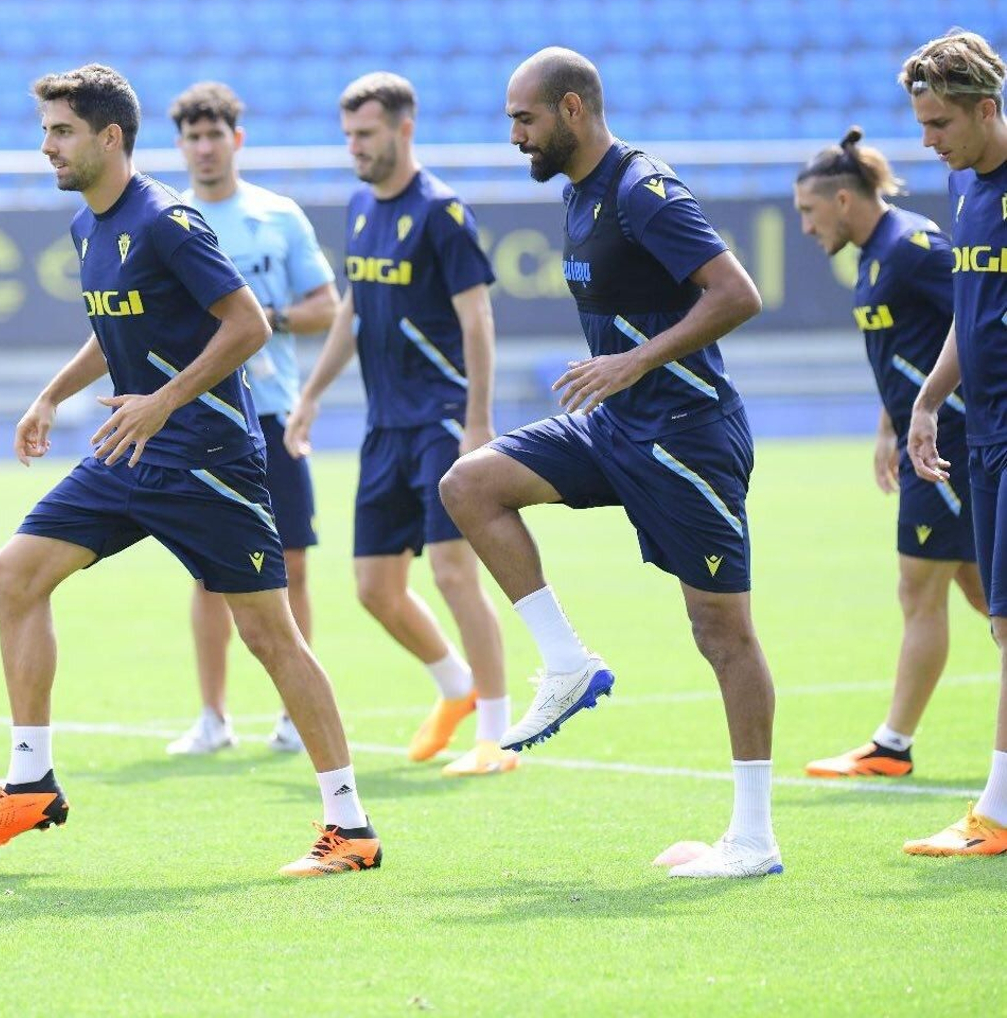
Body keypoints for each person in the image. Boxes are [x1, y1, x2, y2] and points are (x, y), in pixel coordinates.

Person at [0, 64, 380, 876]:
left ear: (110, 138)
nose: (47, 147)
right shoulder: (88, 226)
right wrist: (50, 396)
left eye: (61, 131)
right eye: (45, 131)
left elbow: (247, 326)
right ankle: (31, 778)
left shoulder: (168, 220)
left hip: (205, 460)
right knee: (12, 575)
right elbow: (111, 328)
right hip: (129, 454)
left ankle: (348, 826)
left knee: (269, 638)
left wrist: (165, 401)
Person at [439, 48, 781, 878]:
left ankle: (754, 837)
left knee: (722, 633)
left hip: (687, 436)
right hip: (616, 427)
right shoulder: (580, 193)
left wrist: (633, 362)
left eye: (524, 119)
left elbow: (737, 293)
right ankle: (565, 661)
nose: (515, 136)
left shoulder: (641, 191)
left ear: (571, 110)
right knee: (470, 483)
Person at [285, 72, 512, 777]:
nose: (354, 146)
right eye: (348, 134)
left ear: (403, 129)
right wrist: (313, 393)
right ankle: (455, 689)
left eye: (366, 134)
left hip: (441, 420)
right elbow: (351, 310)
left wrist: (478, 421)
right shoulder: (359, 207)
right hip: (385, 428)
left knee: (452, 572)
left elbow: (478, 319)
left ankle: (497, 736)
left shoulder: (442, 212)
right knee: (375, 588)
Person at [794, 128, 987, 779]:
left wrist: (934, 415)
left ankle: (892, 745)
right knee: (979, 588)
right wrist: (888, 424)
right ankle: (892, 744)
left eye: (808, 212)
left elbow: (977, 316)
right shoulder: (877, 254)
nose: (804, 227)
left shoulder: (912, 248)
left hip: (951, 443)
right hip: (923, 437)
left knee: (919, 588)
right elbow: (912, 348)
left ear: (844, 199)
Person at [163, 81, 338, 757]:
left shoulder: (277, 215)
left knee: (291, 564)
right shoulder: (170, 219)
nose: (205, 148)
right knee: (208, 571)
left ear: (237, 140)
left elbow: (328, 304)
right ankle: (213, 716)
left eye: (216, 136)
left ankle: (296, 714)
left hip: (273, 413)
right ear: (179, 147)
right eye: (193, 138)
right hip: (204, 414)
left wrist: (264, 322)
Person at [902, 29, 1007, 857]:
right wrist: (930, 398)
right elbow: (971, 316)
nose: (928, 142)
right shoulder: (967, 190)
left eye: (939, 124)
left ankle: (997, 813)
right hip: (989, 434)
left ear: (985, 109)